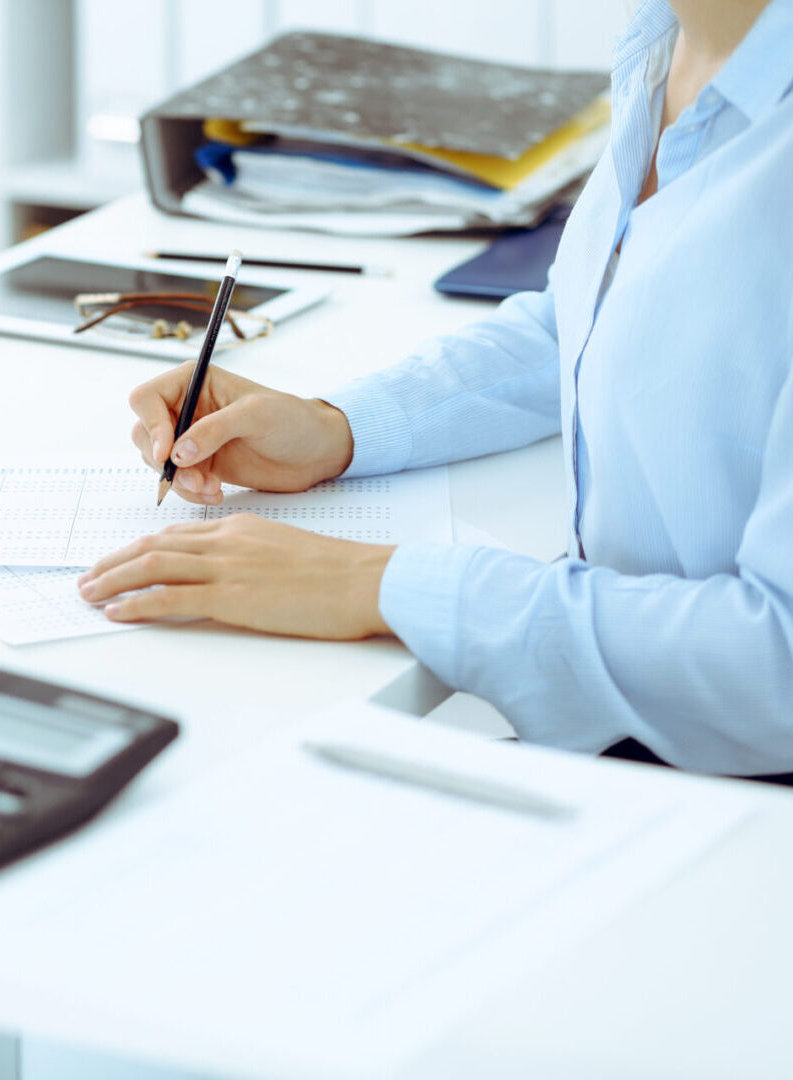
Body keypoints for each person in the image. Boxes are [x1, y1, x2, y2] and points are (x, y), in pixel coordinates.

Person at [77, 0, 793, 777]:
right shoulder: (667, 45)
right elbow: (580, 319)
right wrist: (339, 429)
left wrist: (371, 583)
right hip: (639, 728)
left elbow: (777, 662)